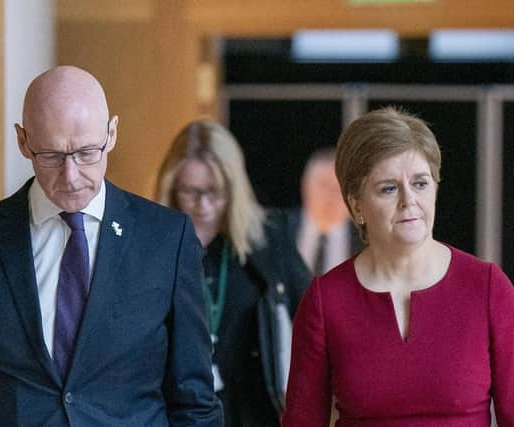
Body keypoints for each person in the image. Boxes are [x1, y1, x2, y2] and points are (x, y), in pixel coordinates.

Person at [0, 66, 223, 426]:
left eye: (87, 153)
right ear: (24, 141)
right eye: (52, 155)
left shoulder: (167, 239)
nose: (71, 177)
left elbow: (194, 399)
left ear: (112, 133)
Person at [282, 106, 514, 426]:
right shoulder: (326, 300)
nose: (409, 201)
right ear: (356, 205)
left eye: (420, 183)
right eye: (389, 188)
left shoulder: (488, 287)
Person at [156, 119, 312, 427]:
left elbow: (313, 314)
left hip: (254, 411)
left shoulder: (269, 237)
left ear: (234, 187)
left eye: (215, 192)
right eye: (190, 191)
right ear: (171, 187)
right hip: (178, 413)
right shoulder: (151, 242)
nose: (203, 205)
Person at [288, 148, 362, 276]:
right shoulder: (277, 230)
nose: (331, 196)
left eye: (339, 189)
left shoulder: (372, 243)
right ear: (305, 186)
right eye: (323, 185)